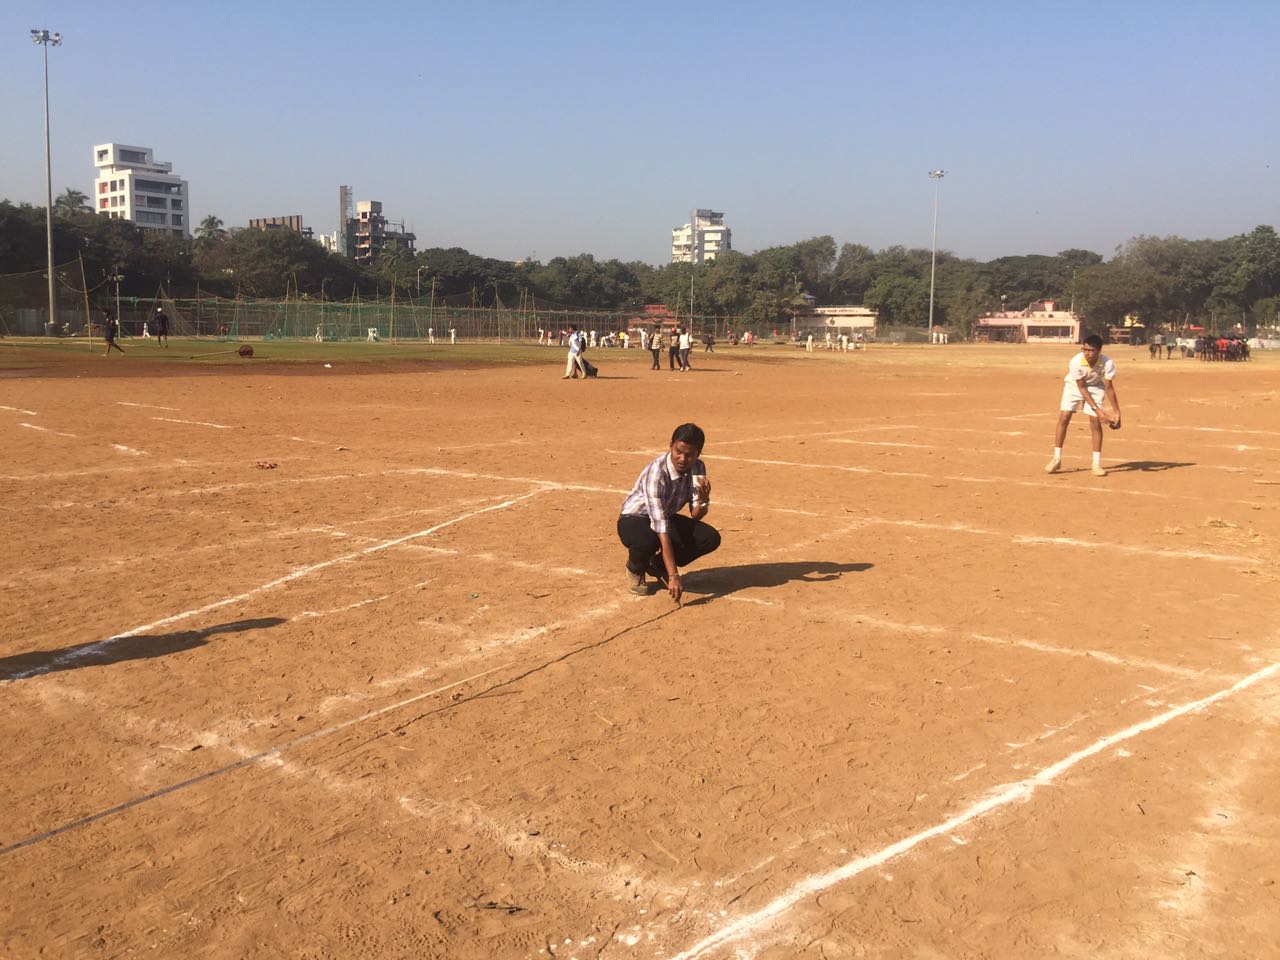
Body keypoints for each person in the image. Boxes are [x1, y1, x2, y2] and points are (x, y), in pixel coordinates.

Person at [617, 423, 721, 600]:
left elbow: (695, 515)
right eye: (678, 451)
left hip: (665, 516)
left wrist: (703, 501)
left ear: (698, 454)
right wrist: (674, 576)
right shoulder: (656, 472)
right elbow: (661, 528)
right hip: (635, 518)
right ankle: (635, 567)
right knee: (647, 540)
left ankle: (657, 565)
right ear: (670, 445)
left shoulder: (698, 468)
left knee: (709, 538)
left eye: (689, 455)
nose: (682, 458)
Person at [1045, 334, 1121, 478]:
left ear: (1099, 351)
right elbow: (1082, 388)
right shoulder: (1075, 362)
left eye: (1090, 350)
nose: (1086, 353)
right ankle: (1056, 459)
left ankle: (1096, 464)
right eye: (1084, 349)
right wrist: (1098, 410)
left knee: (1095, 422)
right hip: (1075, 386)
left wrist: (1117, 412)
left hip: (1095, 386)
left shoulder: (1108, 363)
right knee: (1064, 416)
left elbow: (1109, 388)